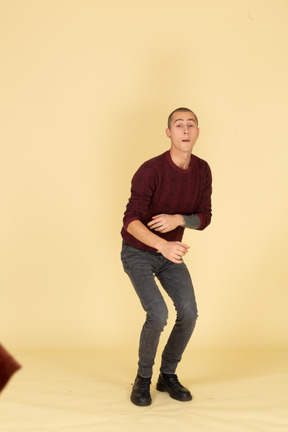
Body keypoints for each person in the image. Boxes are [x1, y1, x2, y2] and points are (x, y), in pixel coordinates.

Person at [120, 107, 212, 406]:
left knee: (189, 312)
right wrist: (162, 244)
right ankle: (143, 378)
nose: (185, 130)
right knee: (158, 313)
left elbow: (204, 217)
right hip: (138, 251)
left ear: (198, 132)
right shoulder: (151, 170)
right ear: (169, 132)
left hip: (169, 254)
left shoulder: (202, 170)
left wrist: (178, 220)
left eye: (191, 125)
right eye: (178, 125)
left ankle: (167, 375)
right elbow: (130, 221)